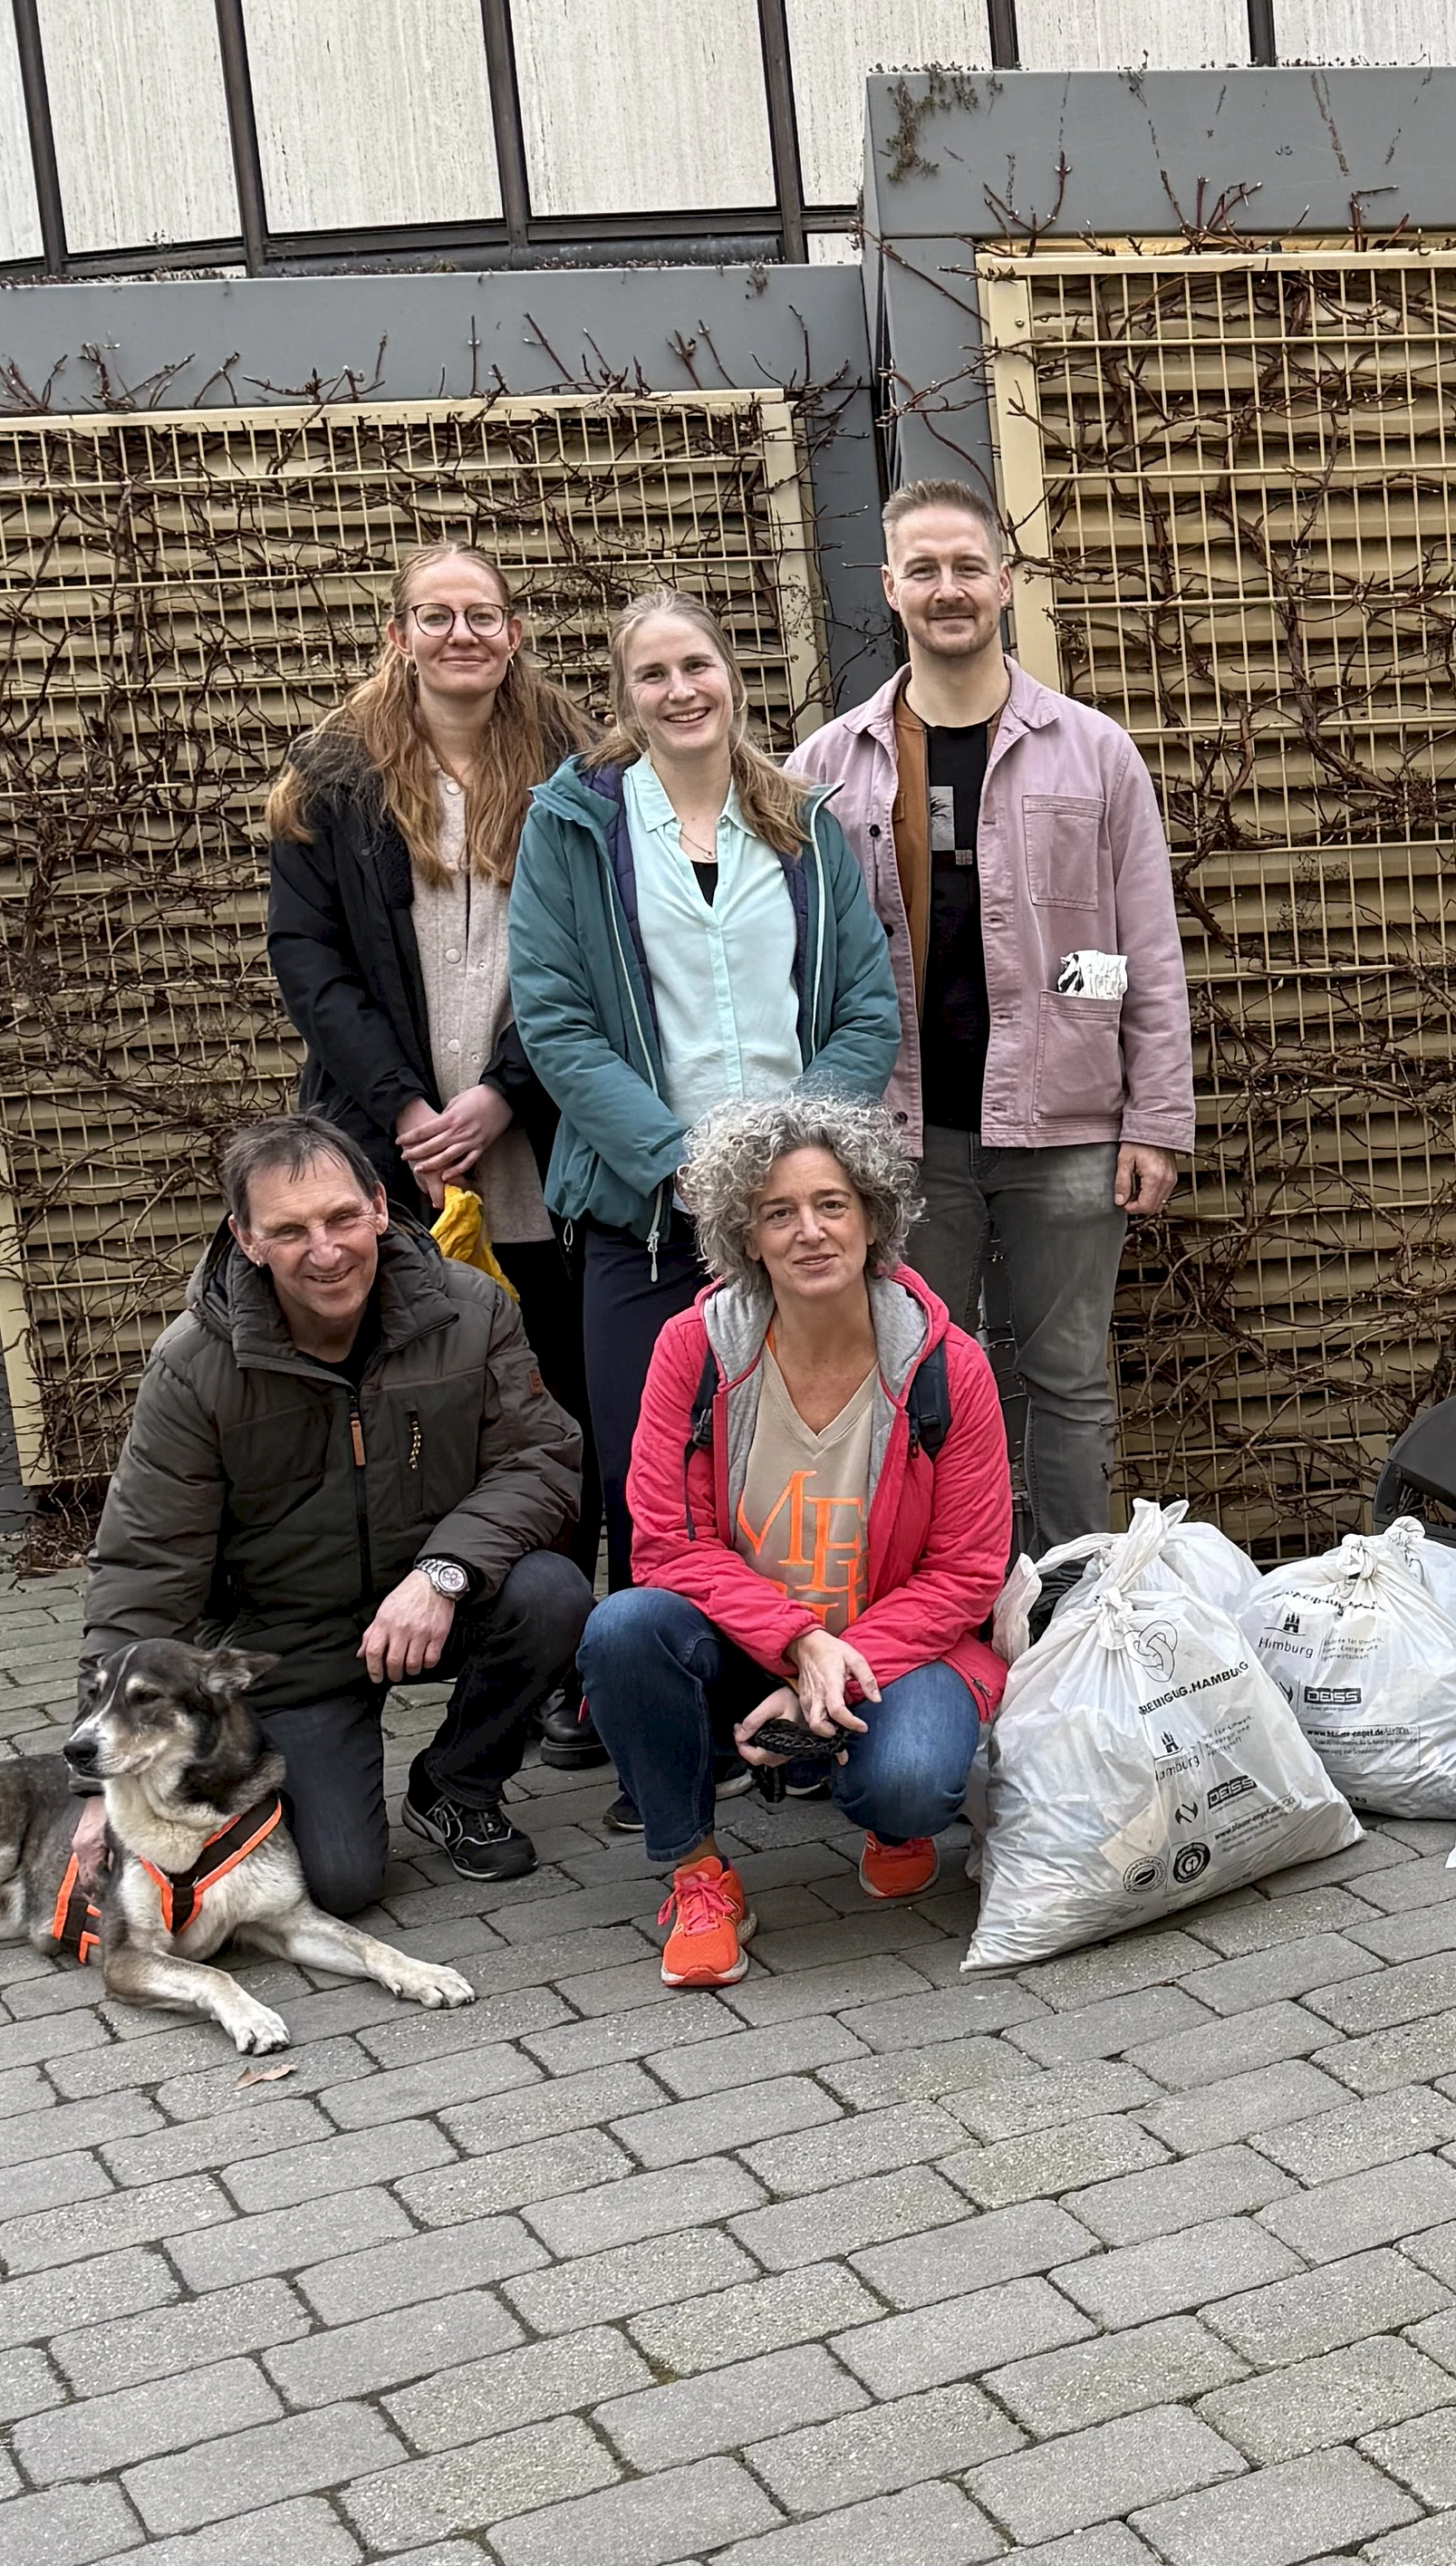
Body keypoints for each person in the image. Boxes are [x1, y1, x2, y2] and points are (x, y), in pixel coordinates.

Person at [787, 481, 1192, 1556]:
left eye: (968, 566)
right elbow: (789, 959)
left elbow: (1144, 944)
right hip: (900, 1135)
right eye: (922, 569)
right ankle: (953, 1596)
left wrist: (1156, 1117)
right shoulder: (828, 768)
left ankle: (1072, 1593)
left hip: (1068, 1126)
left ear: (1005, 583)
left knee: (1067, 1376)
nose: (948, 588)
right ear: (889, 590)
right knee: (918, 1375)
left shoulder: (1093, 752)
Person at [264, 540, 603, 1764]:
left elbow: (594, 954)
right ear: (397, 633)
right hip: (389, 1148)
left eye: (485, 614)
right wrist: (409, 1109)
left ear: (514, 631)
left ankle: (571, 1671)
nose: (463, 633)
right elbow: (311, 963)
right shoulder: (331, 780)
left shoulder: (578, 760)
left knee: (566, 1405)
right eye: (435, 615)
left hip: (545, 1134)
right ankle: (381, 1652)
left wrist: (504, 1094)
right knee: (412, 1404)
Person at [506, 588, 895, 1614]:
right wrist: (681, 1164)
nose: (681, 691)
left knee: (793, 1467)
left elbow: (864, 1009)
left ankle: (789, 1682)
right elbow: (556, 1023)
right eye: (654, 675)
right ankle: (654, 1698)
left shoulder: (802, 822)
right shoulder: (573, 827)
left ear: (730, 676)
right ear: (626, 698)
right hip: (646, 1213)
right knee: (649, 1468)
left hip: (796, 1211)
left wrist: (795, 1169)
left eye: (697, 666)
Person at [81, 1115, 588, 1901]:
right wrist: (102, 1788)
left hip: (434, 1606)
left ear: (381, 1208)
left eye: (343, 1217)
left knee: (553, 1592)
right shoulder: (193, 1367)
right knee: (343, 1880)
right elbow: (147, 1563)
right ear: (246, 1240)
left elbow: (540, 1458)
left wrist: (443, 1573)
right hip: (290, 1645)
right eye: (290, 1231)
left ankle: (454, 1783)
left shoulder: (473, 1309)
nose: (326, 1251)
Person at [574, 1088, 1013, 1990]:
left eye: (831, 1205)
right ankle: (699, 1878)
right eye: (779, 1213)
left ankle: (887, 1822)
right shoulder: (691, 1350)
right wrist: (799, 1643)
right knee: (621, 1628)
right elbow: (665, 1547)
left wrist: (842, 1658)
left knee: (914, 1781)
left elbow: (968, 1572)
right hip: (747, 1638)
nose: (809, 1232)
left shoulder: (946, 1365)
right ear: (746, 1236)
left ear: (872, 1218)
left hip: (894, 1641)